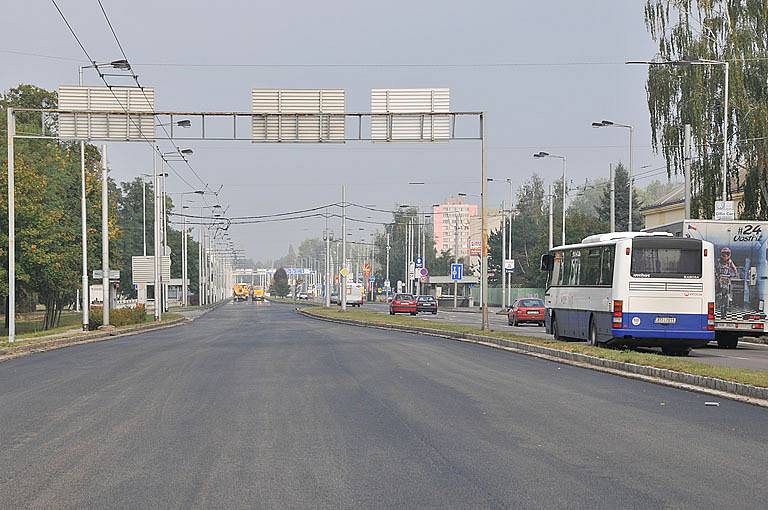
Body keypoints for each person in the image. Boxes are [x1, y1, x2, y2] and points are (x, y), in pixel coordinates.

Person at [716, 246, 738, 318]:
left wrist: (734, 274)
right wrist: (716, 274)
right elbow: (714, 268)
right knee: (717, 290)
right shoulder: (718, 261)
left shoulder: (730, 262)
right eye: (724, 254)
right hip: (720, 278)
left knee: (729, 291)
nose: (725, 255)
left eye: (727, 254)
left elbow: (735, 269)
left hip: (727, 279)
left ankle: (729, 299)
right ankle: (717, 299)